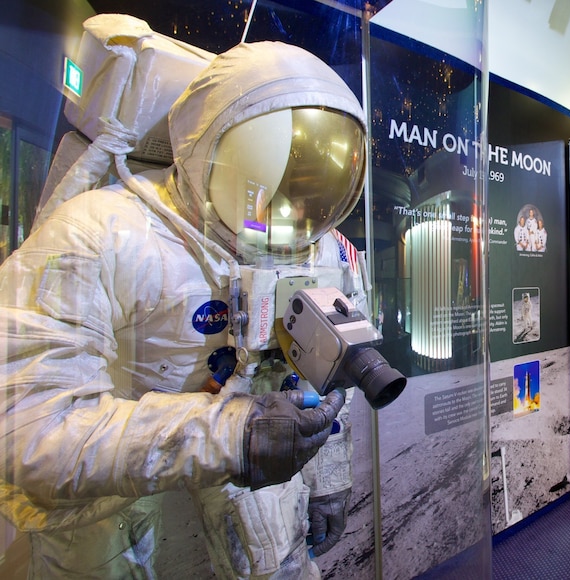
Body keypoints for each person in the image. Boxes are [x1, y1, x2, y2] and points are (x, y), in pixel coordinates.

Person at [0, 40, 368, 578]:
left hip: (256, 491)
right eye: (273, 178)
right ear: (214, 149)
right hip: (114, 516)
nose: (287, 211)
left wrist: (328, 478)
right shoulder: (102, 234)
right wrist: (227, 436)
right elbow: (27, 424)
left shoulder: (318, 252)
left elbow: (331, 381)